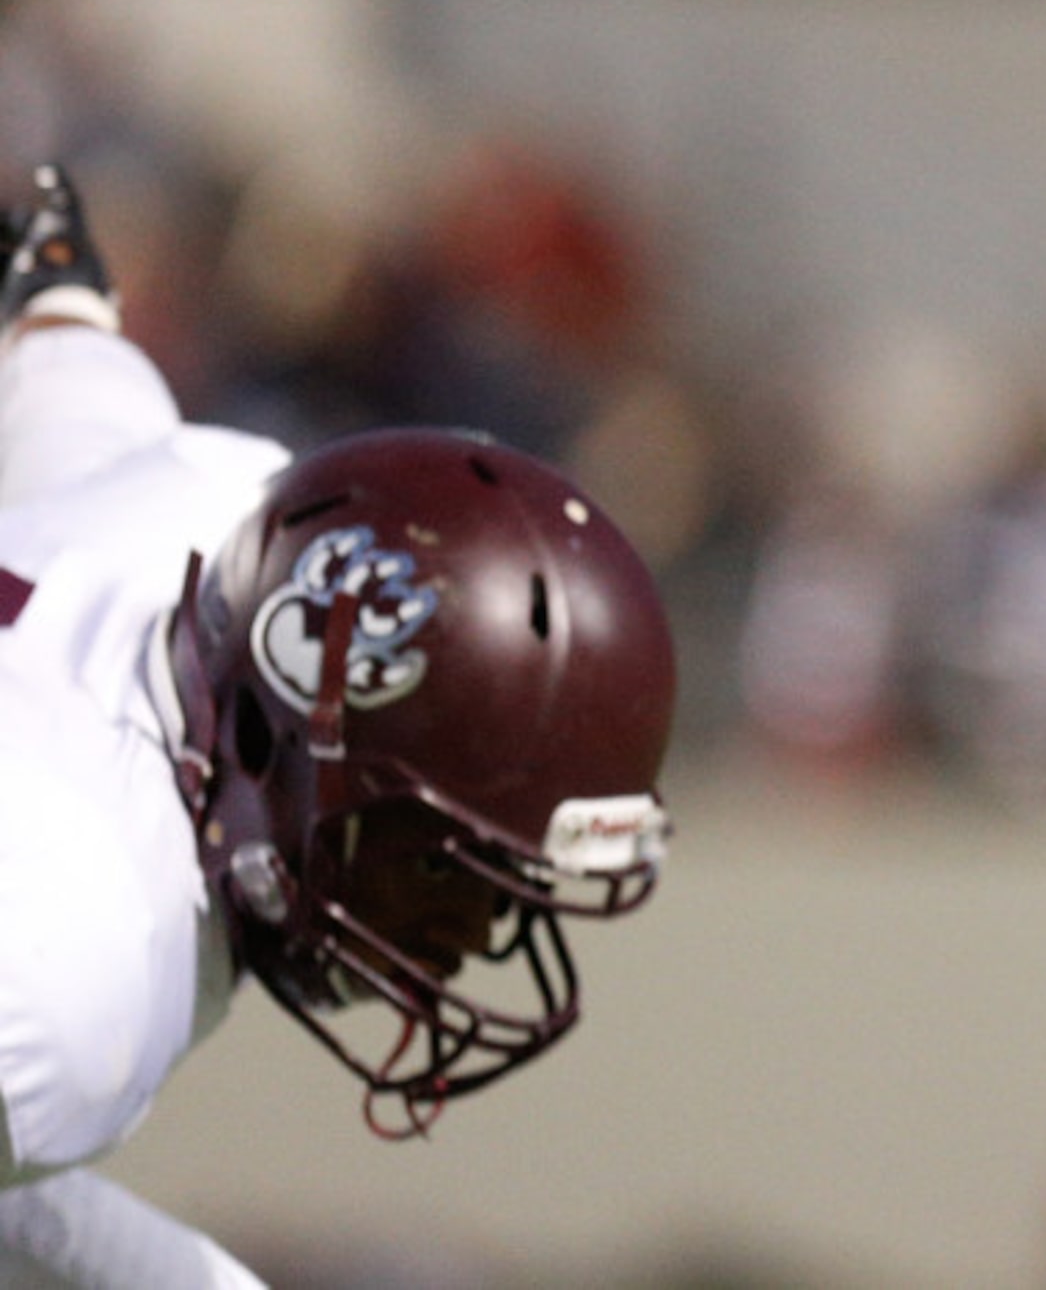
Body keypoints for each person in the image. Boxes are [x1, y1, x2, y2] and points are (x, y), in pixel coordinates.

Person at [0, 163, 677, 1288]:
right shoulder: (82, 963)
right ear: (307, 740)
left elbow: (73, 396)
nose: (470, 945)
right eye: (459, 876)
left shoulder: (223, 507)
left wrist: (56, 294)